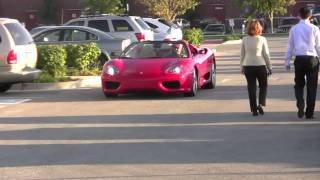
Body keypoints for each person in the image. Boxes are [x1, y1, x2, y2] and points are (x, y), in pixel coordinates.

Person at [285, 7, 320, 119]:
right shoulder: (315, 28)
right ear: (310, 16)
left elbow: (290, 46)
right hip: (312, 59)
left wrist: (287, 61)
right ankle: (309, 113)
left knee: (299, 84)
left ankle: (300, 103)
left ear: (299, 15)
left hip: (299, 59)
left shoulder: (294, 29)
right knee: (312, 87)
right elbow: (318, 46)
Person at [240, 19, 272, 116]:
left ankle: (254, 109)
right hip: (260, 65)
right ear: (259, 28)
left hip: (248, 66)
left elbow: (242, 54)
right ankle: (261, 103)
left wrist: (242, 66)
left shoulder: (244, 39)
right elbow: (266, 54)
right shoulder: (262, 39)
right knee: (263, 85)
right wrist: (269, 66)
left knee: (251, 88)